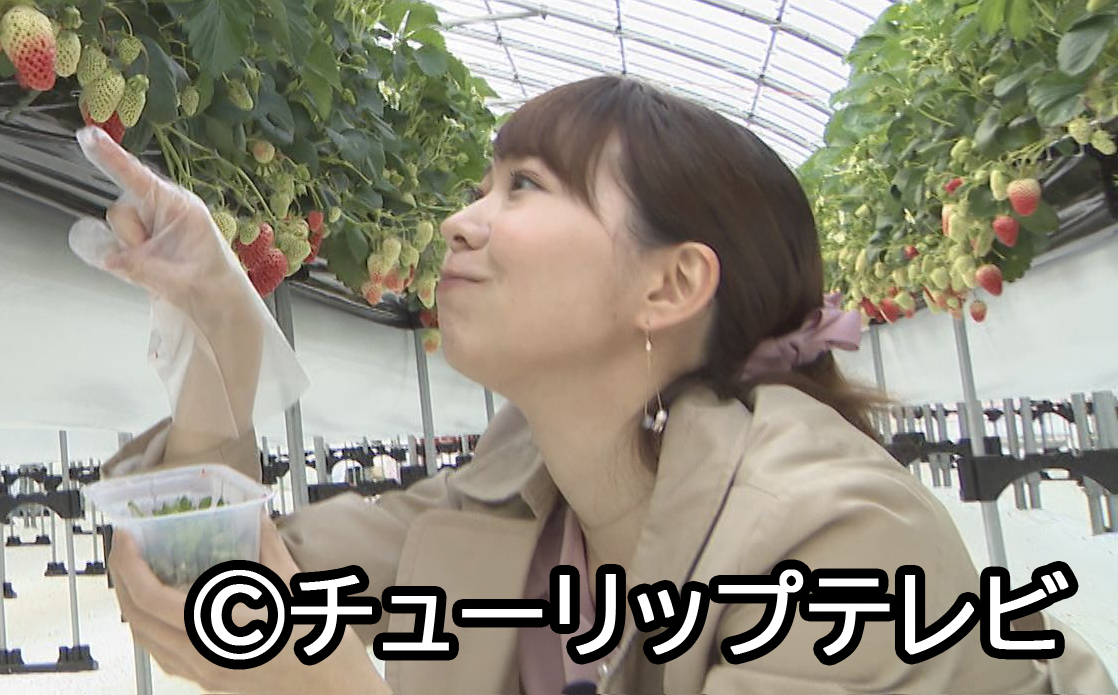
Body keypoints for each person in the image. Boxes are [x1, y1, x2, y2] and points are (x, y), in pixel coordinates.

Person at [79, 75, 1115, 694]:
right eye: (484, 185)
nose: (459, 222)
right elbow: (223, 592)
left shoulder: (834, 542)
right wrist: (220, 327)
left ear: (671, 285)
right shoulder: (511, 500)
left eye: (524, 186)